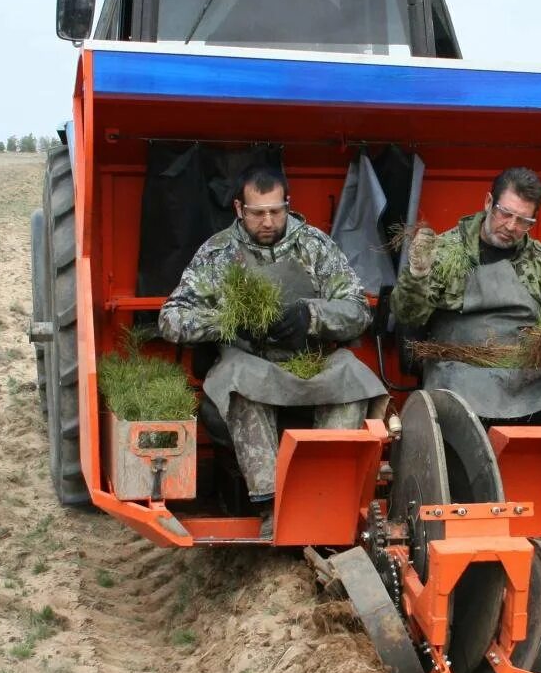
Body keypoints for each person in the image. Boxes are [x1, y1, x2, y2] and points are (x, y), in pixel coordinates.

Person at [391, 167, 541, 533]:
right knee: (453, 387)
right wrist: (416, 277)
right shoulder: (448, 250)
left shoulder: (540, 261)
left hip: (522, 364)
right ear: (489, 203)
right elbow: (408, 314)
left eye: (523, 220)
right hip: (459, 362)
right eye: (505, 213)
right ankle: (462, 498)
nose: (511, 226)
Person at [159, 165, 386, 538]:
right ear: (238, 209)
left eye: (276, 211)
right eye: (257, 213)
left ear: (288, 205)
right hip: (250, 364)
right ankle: (272, 505)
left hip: (310, 364)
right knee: (239, 376)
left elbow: (359, 310)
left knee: (352, 372)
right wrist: (229, 321)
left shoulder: (315, 245)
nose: (268, 221)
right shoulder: (217, 253)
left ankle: (324, 497)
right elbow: (171, 319)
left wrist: (311, 315)